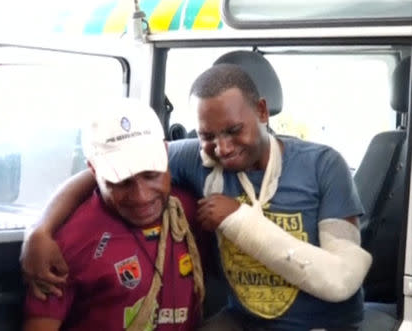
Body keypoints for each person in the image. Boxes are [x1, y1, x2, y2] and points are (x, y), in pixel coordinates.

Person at [21, 64, 372, 330]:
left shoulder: (324, 165)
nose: (223, 148)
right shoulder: (195, 158)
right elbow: (108, 172)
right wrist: (41, 230)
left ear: (262, 112)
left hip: (325, 324)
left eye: (234, 130)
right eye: (208, 135)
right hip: (244, 321)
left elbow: (339, 280)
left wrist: (238, 220)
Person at [22, 98, 204, 331]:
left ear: (167, 154)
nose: (142, 196)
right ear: (93, 170)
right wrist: (38, 232)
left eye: (151, 175)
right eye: (122, 182)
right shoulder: (69, 243)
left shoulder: (193, 212)